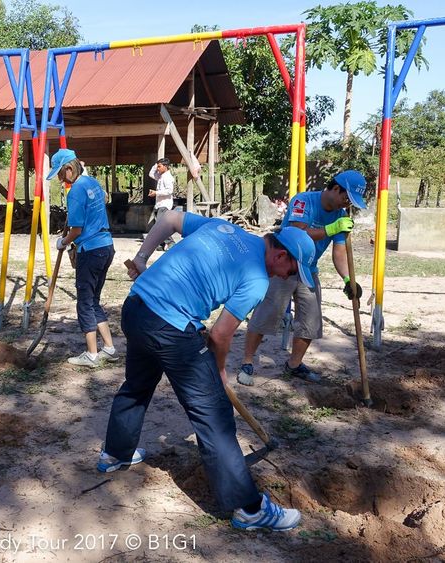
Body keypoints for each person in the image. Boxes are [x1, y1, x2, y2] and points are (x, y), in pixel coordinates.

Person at [100, 209, 316, 532]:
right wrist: (219, 374)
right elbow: (219, 335)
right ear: (281, 254)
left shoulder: (224, 228)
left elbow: (170, 218)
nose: (288, 278)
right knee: (214, 415)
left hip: (136, 307)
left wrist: (142, 257)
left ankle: (114, 454)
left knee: (138, 384)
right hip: (170, 326)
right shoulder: (258, 279)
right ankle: (250, 508)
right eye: (292, 271)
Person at [240, 170, 368, 384]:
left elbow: (339, 253)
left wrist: (348, 279)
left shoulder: (341, 217)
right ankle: (247, 361)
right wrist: (331, 228)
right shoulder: (303, 201)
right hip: (284, 265)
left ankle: (294, 365)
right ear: (336, 188)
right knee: (266, 314)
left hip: (309, 270)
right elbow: (296, 233)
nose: (347, 205)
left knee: (311, 320)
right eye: (346, 198)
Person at [50, 148, 117, 368]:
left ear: (69, 169)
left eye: (60, 175)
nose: (60, 180)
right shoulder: (93, 183)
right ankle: (109, 348)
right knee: (94, 300)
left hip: (91, 250)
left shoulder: (76, 190)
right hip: (106, 246)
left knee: (85, 303)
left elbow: (77, 229)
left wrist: (64, 242)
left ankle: (91, 354)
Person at [147, 158, 175, 250]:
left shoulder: (168, 177)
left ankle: (170, 242)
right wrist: (156, 164)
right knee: (157, 225)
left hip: (165, 204)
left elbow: (169, 191)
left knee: (160, 224)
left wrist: (156, 193)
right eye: (157, 167)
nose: (157, 169)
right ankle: (162, 244)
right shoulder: (161, 176)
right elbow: (151, 174)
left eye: (159, 166)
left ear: (165, 167)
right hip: (159, 204)